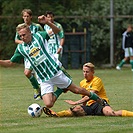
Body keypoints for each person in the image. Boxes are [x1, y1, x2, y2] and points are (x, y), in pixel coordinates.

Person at [0, 15, 105, 109]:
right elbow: (10, 62)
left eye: (24, 35)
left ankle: (98, 99)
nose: (22, 37)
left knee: (77, 90)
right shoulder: (21, 48)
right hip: (43, 78)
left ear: (29, 32)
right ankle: (60, 89)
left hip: (55, 72)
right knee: (49, 104)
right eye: (20, 36)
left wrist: (47, 22)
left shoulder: (39, 36)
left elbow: (56, 31)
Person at [43, 62, 133, 117]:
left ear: (93, 72)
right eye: (83, 71)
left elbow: (90, 96)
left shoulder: (97, 80)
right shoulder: (82, 82)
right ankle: (56, 114)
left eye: (87, 72)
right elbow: (84, 99)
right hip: (90, 107)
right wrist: (82, 106)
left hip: (99, 103)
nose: (85, 74)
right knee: (75, 110)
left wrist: (75, 102)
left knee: (112, 113)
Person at [15, 9, 44, 100]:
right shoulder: (20, 28)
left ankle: (40, 90)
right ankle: (37, 88)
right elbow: (16, 40)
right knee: (28, 73)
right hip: (27, 53)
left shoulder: (37, 26)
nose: (26, 18)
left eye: (28, 16)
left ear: (31, 17)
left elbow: (42, 36)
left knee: (35, 73)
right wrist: (24, 43)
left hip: (37, 53)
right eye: (24, 16)